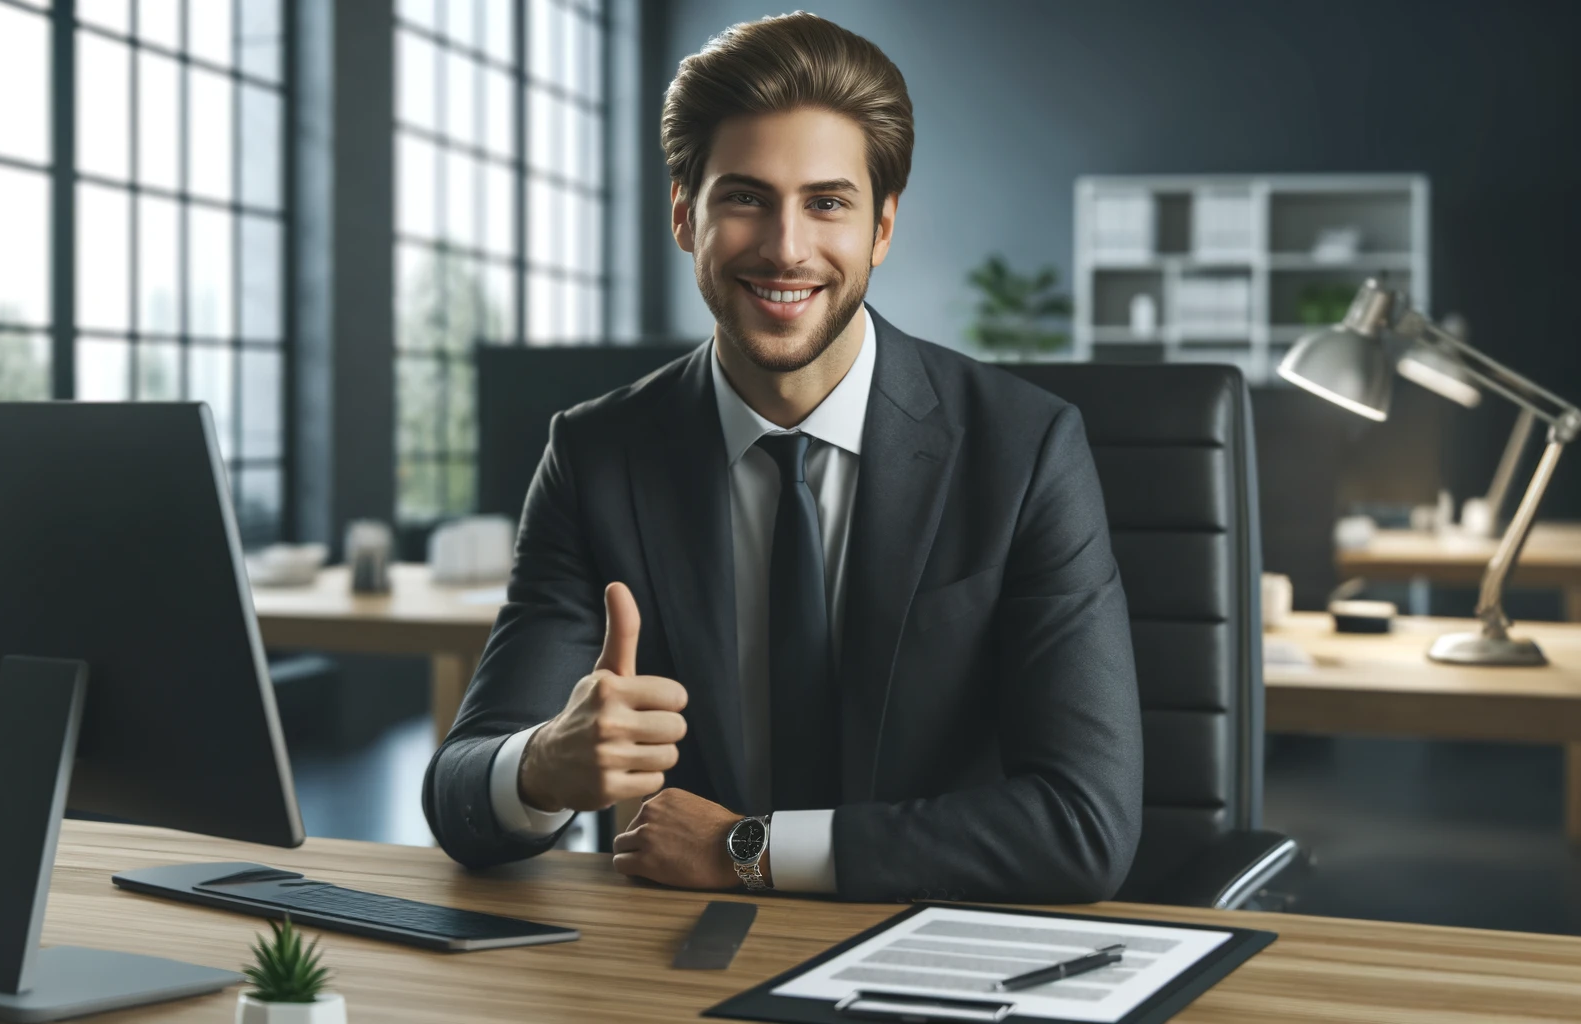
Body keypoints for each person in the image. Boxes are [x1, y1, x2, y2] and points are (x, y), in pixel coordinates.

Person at [423, 12, 1141, 904]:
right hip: (677, 967)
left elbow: (1083, 826)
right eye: (745, 198)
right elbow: (458, 795)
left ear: (882, 228)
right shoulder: (597, 456)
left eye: (827, 203)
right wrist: (540, 766)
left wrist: (743, 848)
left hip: (931, 954)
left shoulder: (1026, 447)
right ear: (686, 215)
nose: (786, 247)